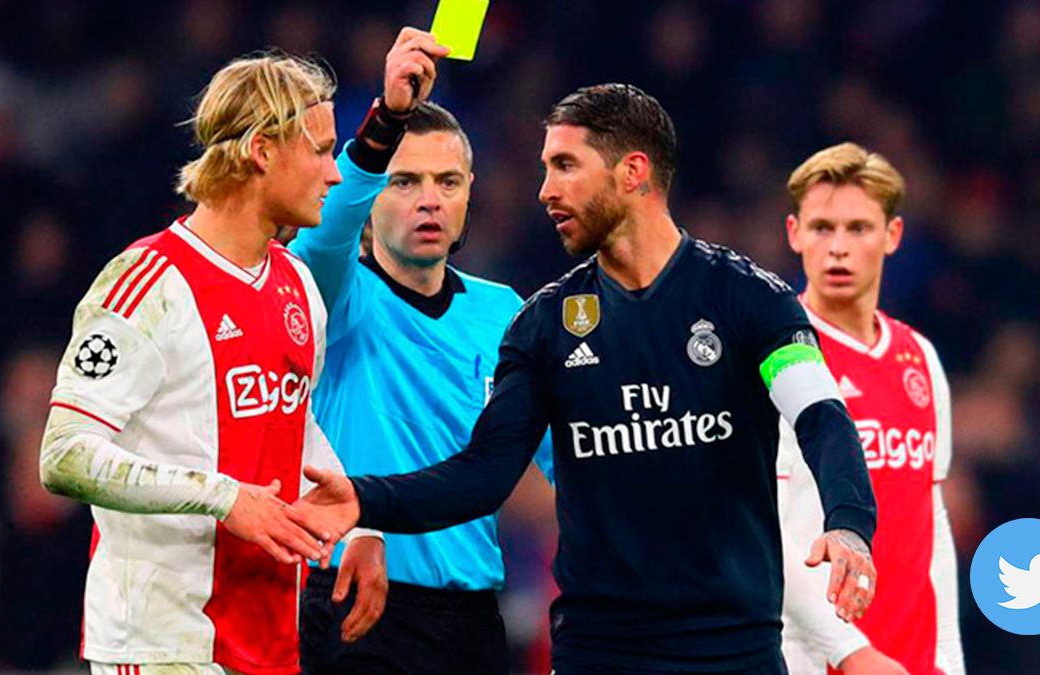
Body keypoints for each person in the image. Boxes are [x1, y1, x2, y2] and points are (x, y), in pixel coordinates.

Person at [289, 83, 879, 673]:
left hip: (733, 650)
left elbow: (820, 413)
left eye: (565, 166)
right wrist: (365, 500)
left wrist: (849, 525)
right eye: (546, 168)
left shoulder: (751, 301)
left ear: (632, 172)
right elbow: (484, 475)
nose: (545, 190)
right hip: (598, 653)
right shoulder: (543, 326)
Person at [37, 33, 443, 674]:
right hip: (163, 643)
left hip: (270, 641)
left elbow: (291, 417)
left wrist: (358, 522)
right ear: (261, 150)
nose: (334, 171)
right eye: (317, 151)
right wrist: (224, 496)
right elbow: (62, 456)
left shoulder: (295, 284)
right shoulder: (146, 282)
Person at [289, 90, 553, 671]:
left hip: (474, 620)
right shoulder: (335, 298)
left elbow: (568, 463)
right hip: (354, 609)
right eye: (404, 182)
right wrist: (382, 128)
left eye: (447, 182)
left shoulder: (505, 313)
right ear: (368, 198)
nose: (429, 201)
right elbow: (321, 240)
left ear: (469, 193)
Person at [776, 143, 965, 675]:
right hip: (812, 659)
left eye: (858, 228)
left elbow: (934, 518)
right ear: (794, 233)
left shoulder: (920, 358)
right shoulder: (775, 357)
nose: (838, 247)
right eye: (821, 228)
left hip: (909, 659)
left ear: (892, 235)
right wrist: (850, 652)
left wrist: (949, 657)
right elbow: (764, 524)